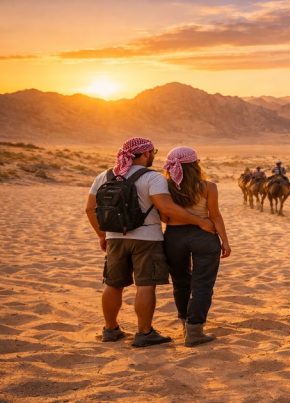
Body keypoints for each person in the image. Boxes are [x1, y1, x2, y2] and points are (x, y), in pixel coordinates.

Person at [85, 137, 215, 348]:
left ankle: (110, 330)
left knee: (113, 284)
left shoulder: (104, 176)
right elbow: (166, 208)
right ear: (145, 154)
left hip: (114, 238)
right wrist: (200, 221)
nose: (153, 155)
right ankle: (144, 333)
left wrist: (102, 235)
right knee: (145, 285)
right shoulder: (152, 178)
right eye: (152, 152)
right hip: (147, 239)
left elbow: (90, 209)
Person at [162, 146, 231, 347]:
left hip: (174, 237)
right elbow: (215, 215)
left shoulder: (165, 187)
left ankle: (185, 325)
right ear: (195, 164)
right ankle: (195, 330)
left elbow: (164, 215)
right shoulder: (208, 186)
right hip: (204, 236)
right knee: (203, 284)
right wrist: (225, 241)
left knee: (180, 282)